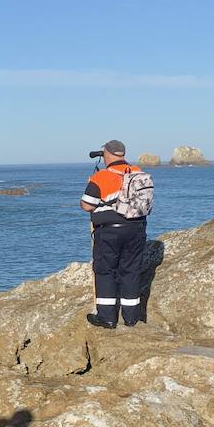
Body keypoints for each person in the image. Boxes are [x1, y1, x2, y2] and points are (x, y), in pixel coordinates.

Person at [79, 139, 147, 329]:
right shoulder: (138, 172)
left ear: (106, 154)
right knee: (131, 271)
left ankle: (107, 318)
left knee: (106, 271)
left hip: (109, 232)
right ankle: (132, 318)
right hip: (136, 229)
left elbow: (87, 205)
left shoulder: (101, 177)